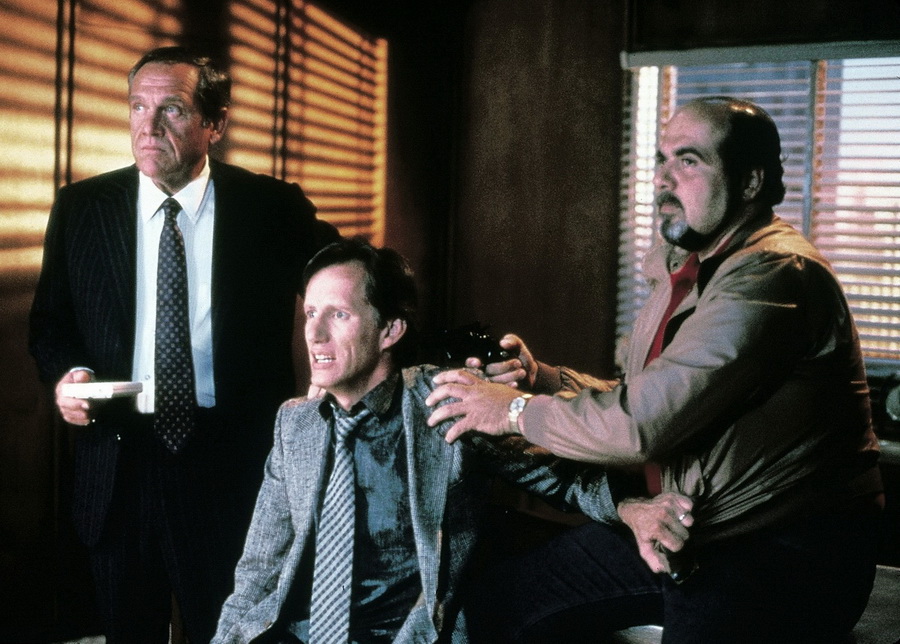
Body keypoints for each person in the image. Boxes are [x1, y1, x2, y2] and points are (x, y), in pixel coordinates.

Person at [426, 97, 884, 643]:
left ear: (750, 182)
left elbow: (641, 424)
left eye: (688, 161)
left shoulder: (772, 276)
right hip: (688, 527)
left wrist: (513, 411)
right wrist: (541, 378)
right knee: (500, 605)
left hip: (779, 551)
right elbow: (647, 394)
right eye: (662, 159)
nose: (663, 178)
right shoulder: (694, 266)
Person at [212, 238, 674, 644]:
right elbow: (259, 570)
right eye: (311, 313)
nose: (314, 334)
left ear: (390, 330)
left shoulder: (446, 401)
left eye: (338, 314)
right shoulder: (296, 424)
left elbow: (563, 478)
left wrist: (629, 507)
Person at [28, 46, 338, 643]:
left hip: (231, 465)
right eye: (137, 107)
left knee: (231, 633)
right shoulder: (82, 207)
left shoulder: (271, 208)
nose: (147, 126)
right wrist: (67, 375)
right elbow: (50, 324)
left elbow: (359, 285)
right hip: (119, 463)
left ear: (214, 124)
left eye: (170, 109)